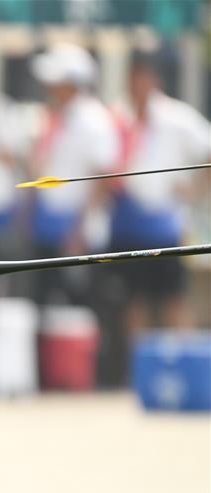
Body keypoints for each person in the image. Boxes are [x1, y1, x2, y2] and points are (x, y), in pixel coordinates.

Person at [96, 51, 211, 384]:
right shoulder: (117, 117)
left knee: (174, 299)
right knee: (134, 302)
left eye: (144, 77)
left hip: (165, 224)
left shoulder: (175, 117)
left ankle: (188, 374)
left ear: (154, 80)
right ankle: (142, 377)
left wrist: (195, 190)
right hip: (127, 221)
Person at [26, 43, 119, 304]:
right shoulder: (58, 116)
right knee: (46, 306)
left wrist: (79, 231)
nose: (49, 88)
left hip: (79, 235)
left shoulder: (94, 120)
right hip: (50, 227)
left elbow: (103, 177)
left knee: (80, 309)